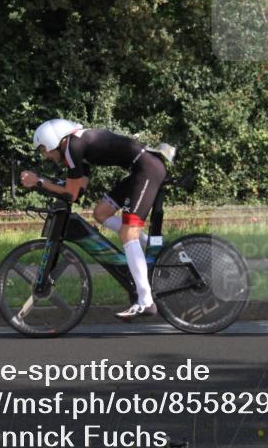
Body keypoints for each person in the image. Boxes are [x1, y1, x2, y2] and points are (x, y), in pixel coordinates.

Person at [20, 118, 166, 320]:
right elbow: (78, 191)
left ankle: (145, 301)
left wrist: (39, 182)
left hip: (147, 169)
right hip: (140, 170)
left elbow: (70, 194)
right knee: (101, 213)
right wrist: (49, 185)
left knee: (127, 232)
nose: (45, 155)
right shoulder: (77, 148)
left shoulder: (73, 146)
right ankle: (154, 249)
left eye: (44, 149)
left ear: (54, 140)